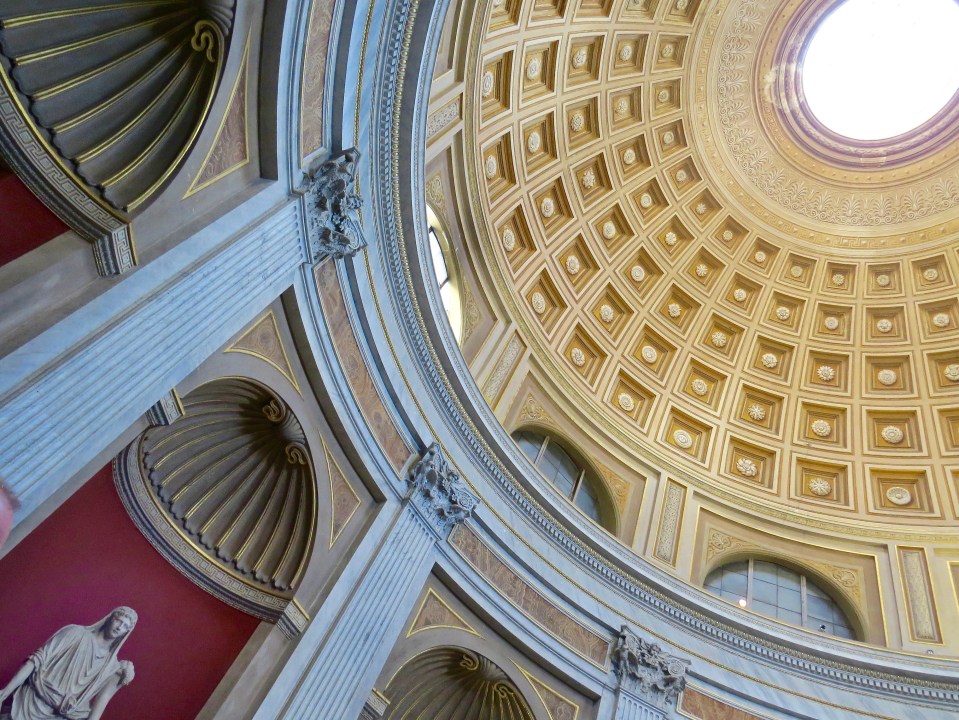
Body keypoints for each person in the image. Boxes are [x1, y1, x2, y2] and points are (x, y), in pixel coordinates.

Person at [0, 607, 137, 720]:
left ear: (126, 632)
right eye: (119, 621)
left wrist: (122, 677)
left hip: (67, 715)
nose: (120, 627)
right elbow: (36, 660)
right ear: (110, 619)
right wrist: (4, 693)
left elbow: (102, 701)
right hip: (32, 703)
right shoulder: (75, 633)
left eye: (125, 626)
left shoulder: (112, 666)